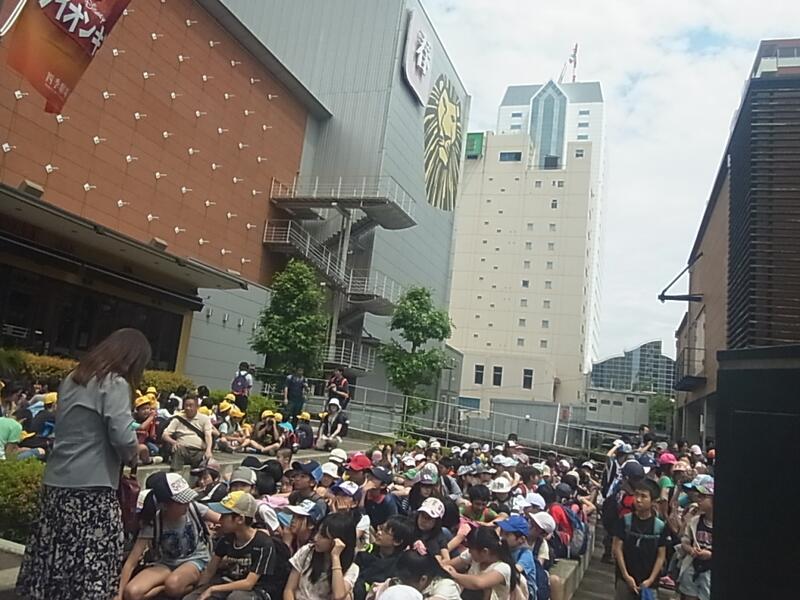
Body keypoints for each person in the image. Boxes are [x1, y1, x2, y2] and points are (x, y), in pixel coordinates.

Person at [16, 328, 150, 600]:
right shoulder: (114, 383)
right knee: (90, 565)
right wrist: (137, 451)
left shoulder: (73, 379)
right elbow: (122, 436)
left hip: (57, 482)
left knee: (54, 560)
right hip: (92, 487)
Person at [118, 473, 219, 600]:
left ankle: (179, 586)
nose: (187, 504)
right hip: (166, 563)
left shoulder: (193, 508)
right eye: (181, 502)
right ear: (165, 505)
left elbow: (220, 519)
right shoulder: (154, 521)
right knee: (132, 592)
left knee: (173, 585)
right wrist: (119, 595)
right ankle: (165, 588)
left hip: (195, 559)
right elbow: (131, 562)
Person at [183, 491, 290, 600]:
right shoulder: (226, 539)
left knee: (236, 598)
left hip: (253, 590)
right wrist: (199, 590)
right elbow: (210, 570)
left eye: (224, 516)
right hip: (227, 582)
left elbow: (249, 583)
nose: (219, 520)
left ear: (240, 519)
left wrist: (213, 589)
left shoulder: (263, 544)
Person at [284, 511, 360, 600]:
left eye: (323, 536)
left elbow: (338, 596)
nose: (316, 538)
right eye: (318, 532)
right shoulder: (307, 551)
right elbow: (289, 590)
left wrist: (335, 557)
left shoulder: (351, 569)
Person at [612, 479, 667, 600]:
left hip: (649, 583)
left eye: (643, 496)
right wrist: (626, 575)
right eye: (636, 495)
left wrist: (650, 580)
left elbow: (661, 556)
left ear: (653, 501)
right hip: (625, 579)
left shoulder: (659, 527)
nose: (638, 500)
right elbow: (618, 548)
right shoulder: (625, 521)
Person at [440, 526, 519, 600]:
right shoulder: (474, 555)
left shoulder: (503, 567)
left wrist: (454, 575)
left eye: (471, 549)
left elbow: (479, 583)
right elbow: (451, 564)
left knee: (482, 590)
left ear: (484, 551)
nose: (469, 551)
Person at [354, 515, 415, 600]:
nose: (379, 532)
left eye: (385, 531)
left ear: (397, 541)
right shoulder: (365, 553)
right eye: (381, 528)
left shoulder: (402, 565)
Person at [370, 548, 461, 600]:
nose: (402, 584)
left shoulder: (447, 586)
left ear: (423, 579)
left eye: (406, 582)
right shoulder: (397, 582)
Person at [678, 478, 713, 600]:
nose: (699, 500)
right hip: (692, 565)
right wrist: (690, 550)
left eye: (703, 497)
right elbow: (684, 541)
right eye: (698, 496)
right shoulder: (695, 521)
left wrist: (710, 554)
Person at [163, 395, 214, 471]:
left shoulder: (204, 419)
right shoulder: (178, 419)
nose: (188, 408)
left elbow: (208, 435)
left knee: (208, 462)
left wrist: (208, 450)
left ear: (197, 407)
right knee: (178, 450)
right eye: (186, 405)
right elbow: (165, 435)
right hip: (183, 449)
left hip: (198, 451)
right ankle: (175, 473)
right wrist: (173, 442)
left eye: (190, 406)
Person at [498, 515, 539, 600]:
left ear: (521, 539)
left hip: (526, 592)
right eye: (501, 532)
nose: (502, 537)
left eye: (507, 534)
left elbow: (515, 570)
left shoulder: (525, 554)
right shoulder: (503, 548)